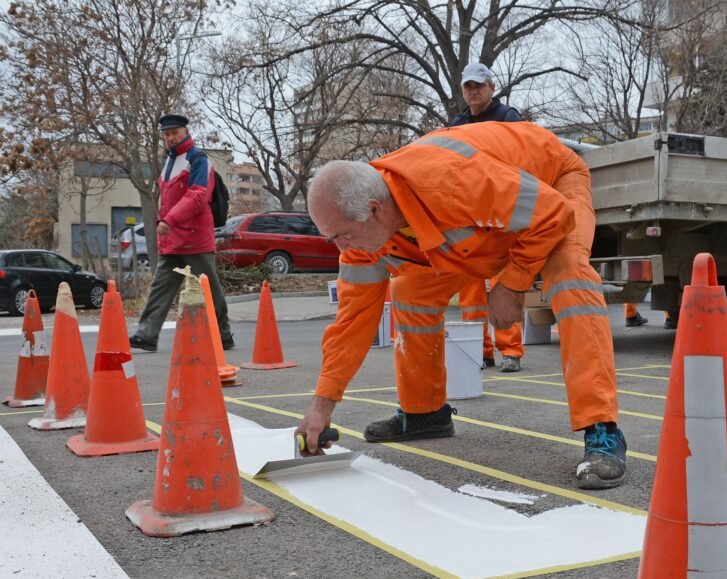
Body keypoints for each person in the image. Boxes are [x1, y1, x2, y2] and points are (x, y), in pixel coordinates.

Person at [296, 121, 628, 490]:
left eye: (342, 235)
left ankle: (602, 429)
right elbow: (350, 325)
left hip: (551, 186)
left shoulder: (452, 182)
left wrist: (513, 284)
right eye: (332, 239)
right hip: (490, 230)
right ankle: (425, 414)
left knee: (570, 277)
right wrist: (321, 407)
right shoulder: (363, 239)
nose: (341, 249)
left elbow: (552, 214)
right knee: (412, 292)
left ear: (375, 210)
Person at [129, 114, 233, 353]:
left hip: (195, 238)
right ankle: (146, 334)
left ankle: (223, 334)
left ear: (186, 132)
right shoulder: (169, 163)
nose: (170, 137)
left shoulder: (197, 160)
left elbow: (198, 196)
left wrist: (170, 220)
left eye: (175, 132)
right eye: (166, 134)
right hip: (172, 240)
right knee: (160, 288)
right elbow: (167, 200)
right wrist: (163, 222)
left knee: (209, 290)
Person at [450, 62, 525, 373]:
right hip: (470, 210)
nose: (473, 91)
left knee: (501, 280)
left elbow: (522, 158)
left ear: (492, 87)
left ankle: (510, 350)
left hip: (501, 208)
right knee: (470, 283)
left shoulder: (509, 118)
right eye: (468, 86)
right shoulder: (457, 124)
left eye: (479, 85)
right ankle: (479, 350)